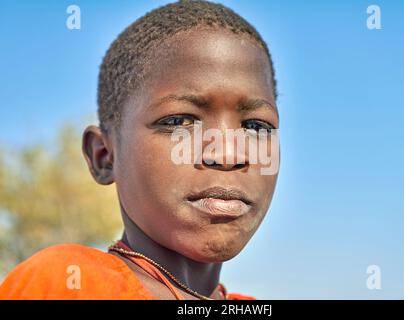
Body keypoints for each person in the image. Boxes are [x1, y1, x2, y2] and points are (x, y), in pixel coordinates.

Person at [0, 0, 280, 299]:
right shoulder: (67, 284)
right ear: (104, 156)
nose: (228, 155)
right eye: (179, 121)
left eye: (256, 127)